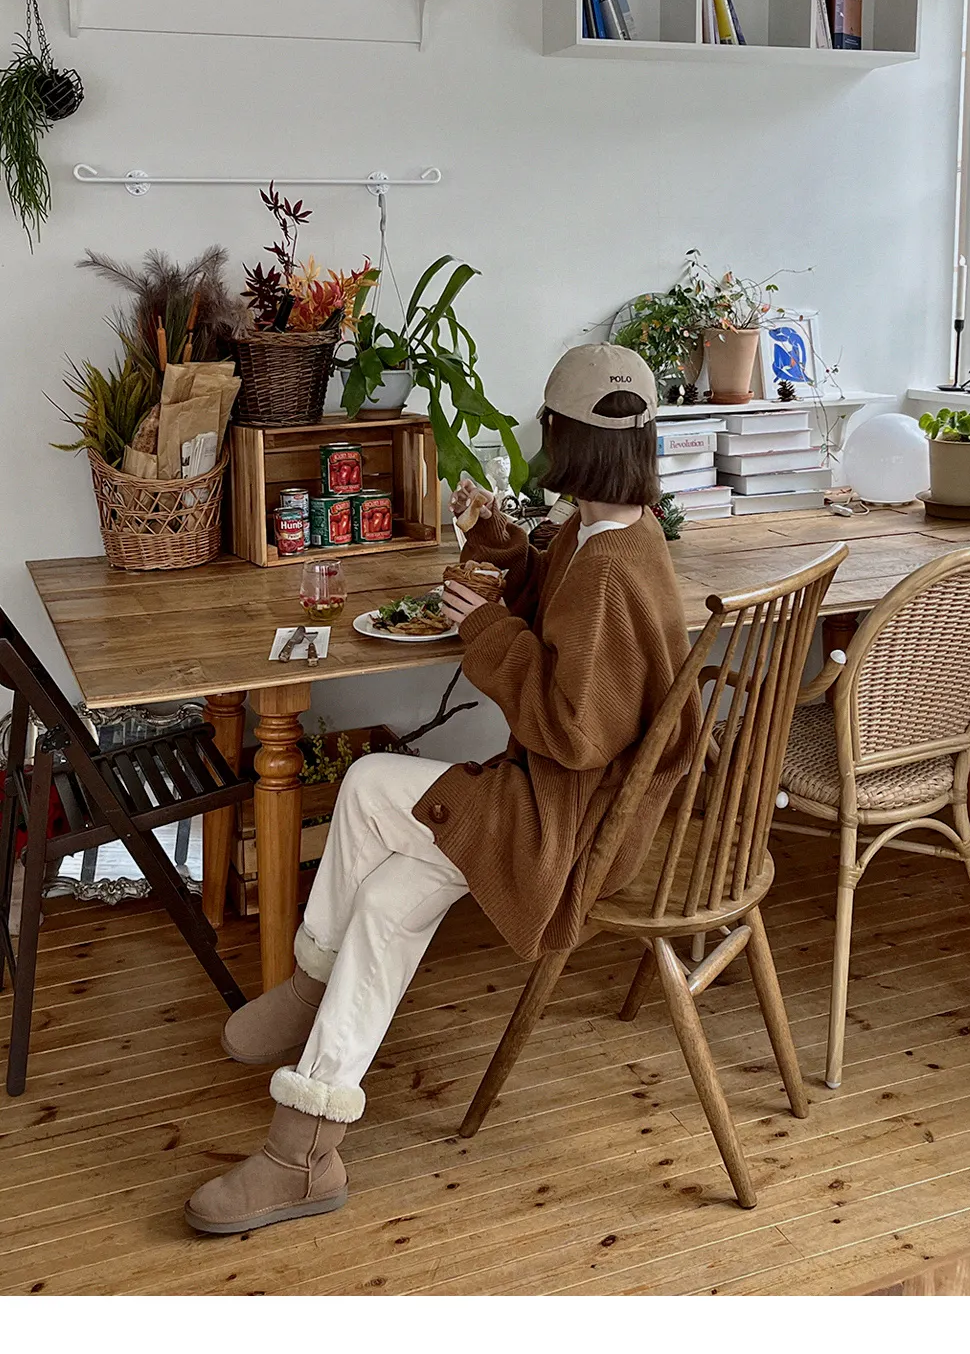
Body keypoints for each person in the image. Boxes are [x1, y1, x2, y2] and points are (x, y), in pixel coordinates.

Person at [185, 343, 700, 1235]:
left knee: (366, 784)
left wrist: (489, 630)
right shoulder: (610, 532)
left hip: (566, 827)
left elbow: (576, 730)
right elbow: (560, 612)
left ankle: (310, 985)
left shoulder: (610, 568)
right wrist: (501, 545)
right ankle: (304, 1148)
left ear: (564, 436)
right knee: (387, 902)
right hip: (564, 806)